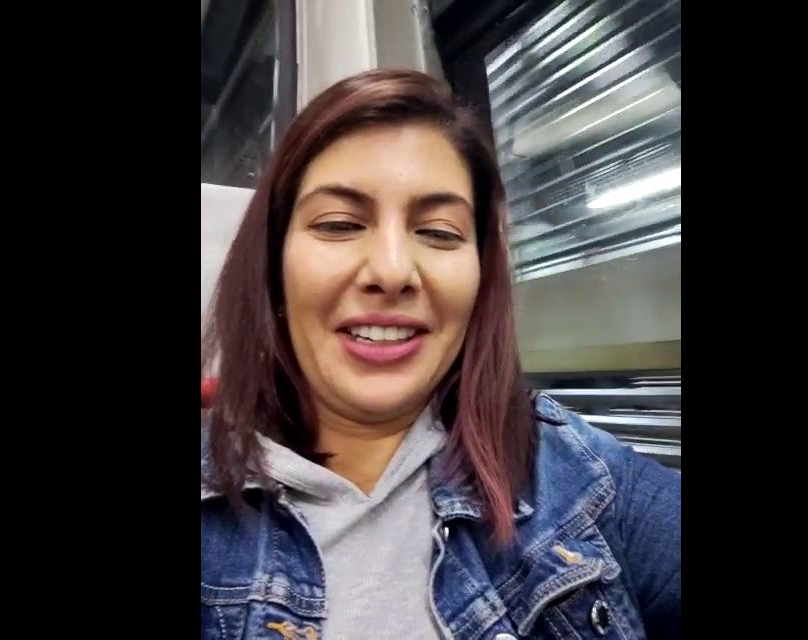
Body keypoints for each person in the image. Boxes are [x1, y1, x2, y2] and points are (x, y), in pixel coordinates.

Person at [201, 69, 680, 639]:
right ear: (273, 268)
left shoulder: (577, 479)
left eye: (439, 233)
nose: (392, 271)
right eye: (339, 224)